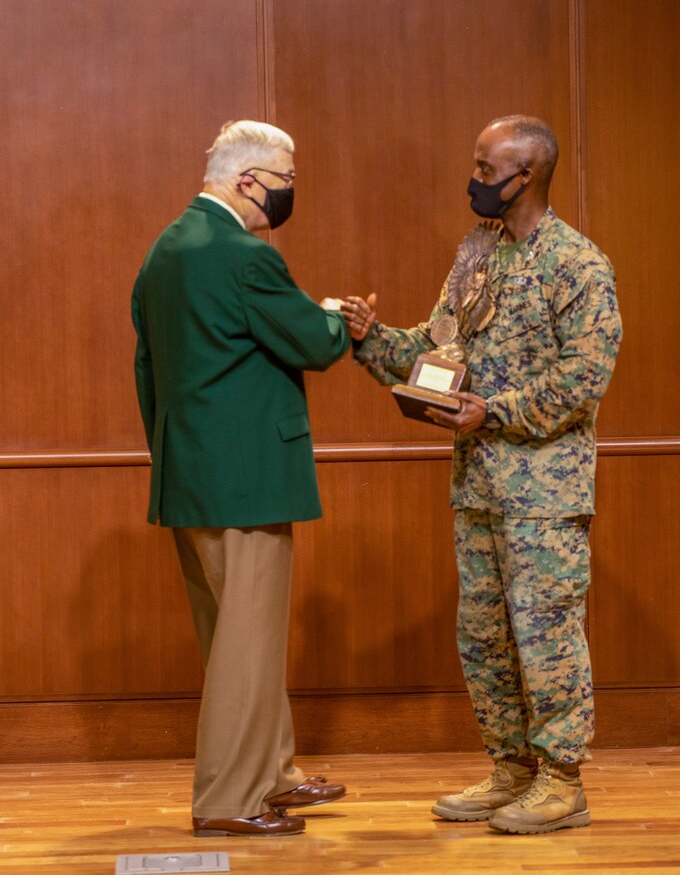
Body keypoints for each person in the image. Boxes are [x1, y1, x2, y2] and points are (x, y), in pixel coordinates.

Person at [341, 115, 622, 835]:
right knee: (486, 637)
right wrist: (373, 341)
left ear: (524, 175)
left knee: (545, 635)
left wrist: (491, 412)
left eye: (485, 167)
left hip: (543, 496)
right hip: (478, 490)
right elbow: (437, 352)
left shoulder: (578, 265)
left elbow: (582, 381)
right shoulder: (477, 255)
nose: (475, 179)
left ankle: (562, 781)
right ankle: (511, 770)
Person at [132, 120, 349, 837]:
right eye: (287, 179)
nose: (290, 193)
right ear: (249, 179)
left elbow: (147, 369)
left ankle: (272, 773)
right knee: (245, 646)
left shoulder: (167, 248)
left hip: (191, 476)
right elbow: (313, 344)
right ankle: (230, 798)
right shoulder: (243, 255)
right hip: (248, 478)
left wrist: (176, 455)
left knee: (235, 635)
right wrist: (337, 318)